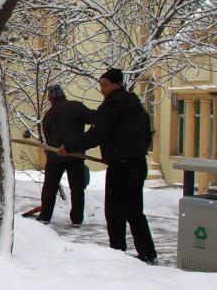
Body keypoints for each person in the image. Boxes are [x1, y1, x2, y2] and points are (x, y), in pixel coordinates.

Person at [58, 68, 157, 264]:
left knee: (114, 211)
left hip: (121, 167)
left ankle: (117, 252)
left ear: (116, 85)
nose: (102, 89)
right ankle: (147, 253)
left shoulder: (111, 106)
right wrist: (132, 150)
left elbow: (96, 135)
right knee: (135, 210)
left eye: (105, 85)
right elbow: (147, 134)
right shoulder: (136, 105)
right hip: (137, 163)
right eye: (100, 84)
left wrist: (69, 147)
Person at [38, 84, 94, 226]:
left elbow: (48, 134)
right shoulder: (77, 107)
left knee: (50, 188)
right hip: (76, 155)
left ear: (51, 99)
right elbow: (94, 118)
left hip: (55, 156)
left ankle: (45, 216)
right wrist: (86, 138)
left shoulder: (49, 114)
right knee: (77, 189)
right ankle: (77, 219)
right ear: (63, 96)